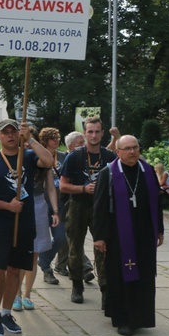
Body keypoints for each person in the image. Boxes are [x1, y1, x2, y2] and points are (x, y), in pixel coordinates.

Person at [0, 119, 53, 336]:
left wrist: (31, 140)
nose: (10, 135)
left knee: (15, 270)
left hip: (25, 222)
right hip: (0, 223)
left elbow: (48, 161)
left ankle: (7, 312)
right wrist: (7, 206)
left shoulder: (27, 156)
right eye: (5, 132)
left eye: (13, 131)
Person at [93, 135, 163, 336]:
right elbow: (99, 207)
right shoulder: (108, 173)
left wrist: (159, 229)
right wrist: (99, 236)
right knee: (120, 276)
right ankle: (123, 319)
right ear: (118, 151)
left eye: (135, 148)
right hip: (118, 235)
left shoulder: (147, 171)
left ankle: (141, 317)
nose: (132, 152)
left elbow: (157, 203)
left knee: (144, 275)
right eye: (127, 149)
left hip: (144, 233)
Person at [59, 116, 116, 305]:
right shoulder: (74, 156)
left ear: (101, 132)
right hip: (77, 205)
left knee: (104, 249)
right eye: (90, 131)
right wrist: (83, 188)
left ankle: (106, 289)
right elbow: (63, 186)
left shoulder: (109, 156)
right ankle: (77, 285)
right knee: (75, 248)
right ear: (85, 133)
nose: (93, 135)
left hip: (101, 207)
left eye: (97, 131)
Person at [14, 128, 60, 311]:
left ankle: (27, 295)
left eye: (29, 140)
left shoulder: (41, 161)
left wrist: (55, 211)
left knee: (34, 253)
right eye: (23, 140)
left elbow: (50, 188)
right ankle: (15, 295)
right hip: (19, 206)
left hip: (39, 206)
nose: (26, 144)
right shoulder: (14, 158)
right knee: (18, 254)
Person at [53, 131, 93, 280]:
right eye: (79, 144)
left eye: (83, 143)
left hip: (79, 203)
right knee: (70, 237)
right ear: (70, 147)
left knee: (67, 237)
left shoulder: (87, 157)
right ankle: (86, 267)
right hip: (64, 202)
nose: (83, 146)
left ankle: (60, 265)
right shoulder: (67, 158)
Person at [35, 127, 66, 285]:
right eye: (53, 137)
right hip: (41, 202)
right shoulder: (38, 157)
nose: (56, 140)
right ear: (45, 140)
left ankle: (44, 260)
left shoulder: (63, 156)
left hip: (59, 203)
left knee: (61, 236)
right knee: (40, 239)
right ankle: (47, 270)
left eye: (58, 137)